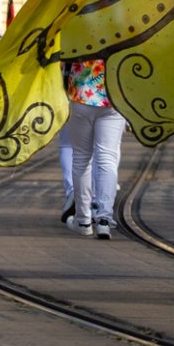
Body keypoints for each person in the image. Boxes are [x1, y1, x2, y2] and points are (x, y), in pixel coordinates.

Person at [64, 56, 125, 238]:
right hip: (115, 96)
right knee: (107, 159)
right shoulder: (125, 26)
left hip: (81, 93)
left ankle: (83, 220)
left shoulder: (77, 26)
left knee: (82, 159)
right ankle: (104, 220)